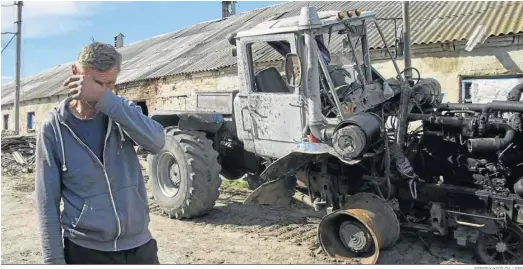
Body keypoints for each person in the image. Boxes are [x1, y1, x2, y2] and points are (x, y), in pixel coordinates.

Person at [35, 41, 166, 264]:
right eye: (96, 82)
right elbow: (46, 202)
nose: (103, 90)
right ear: (75, 72)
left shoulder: (122, 112)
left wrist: (106, 100)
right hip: (85, 250)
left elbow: (156, 142)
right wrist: (53, 262)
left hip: (139, 247)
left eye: (110, 84)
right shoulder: (54, 129)